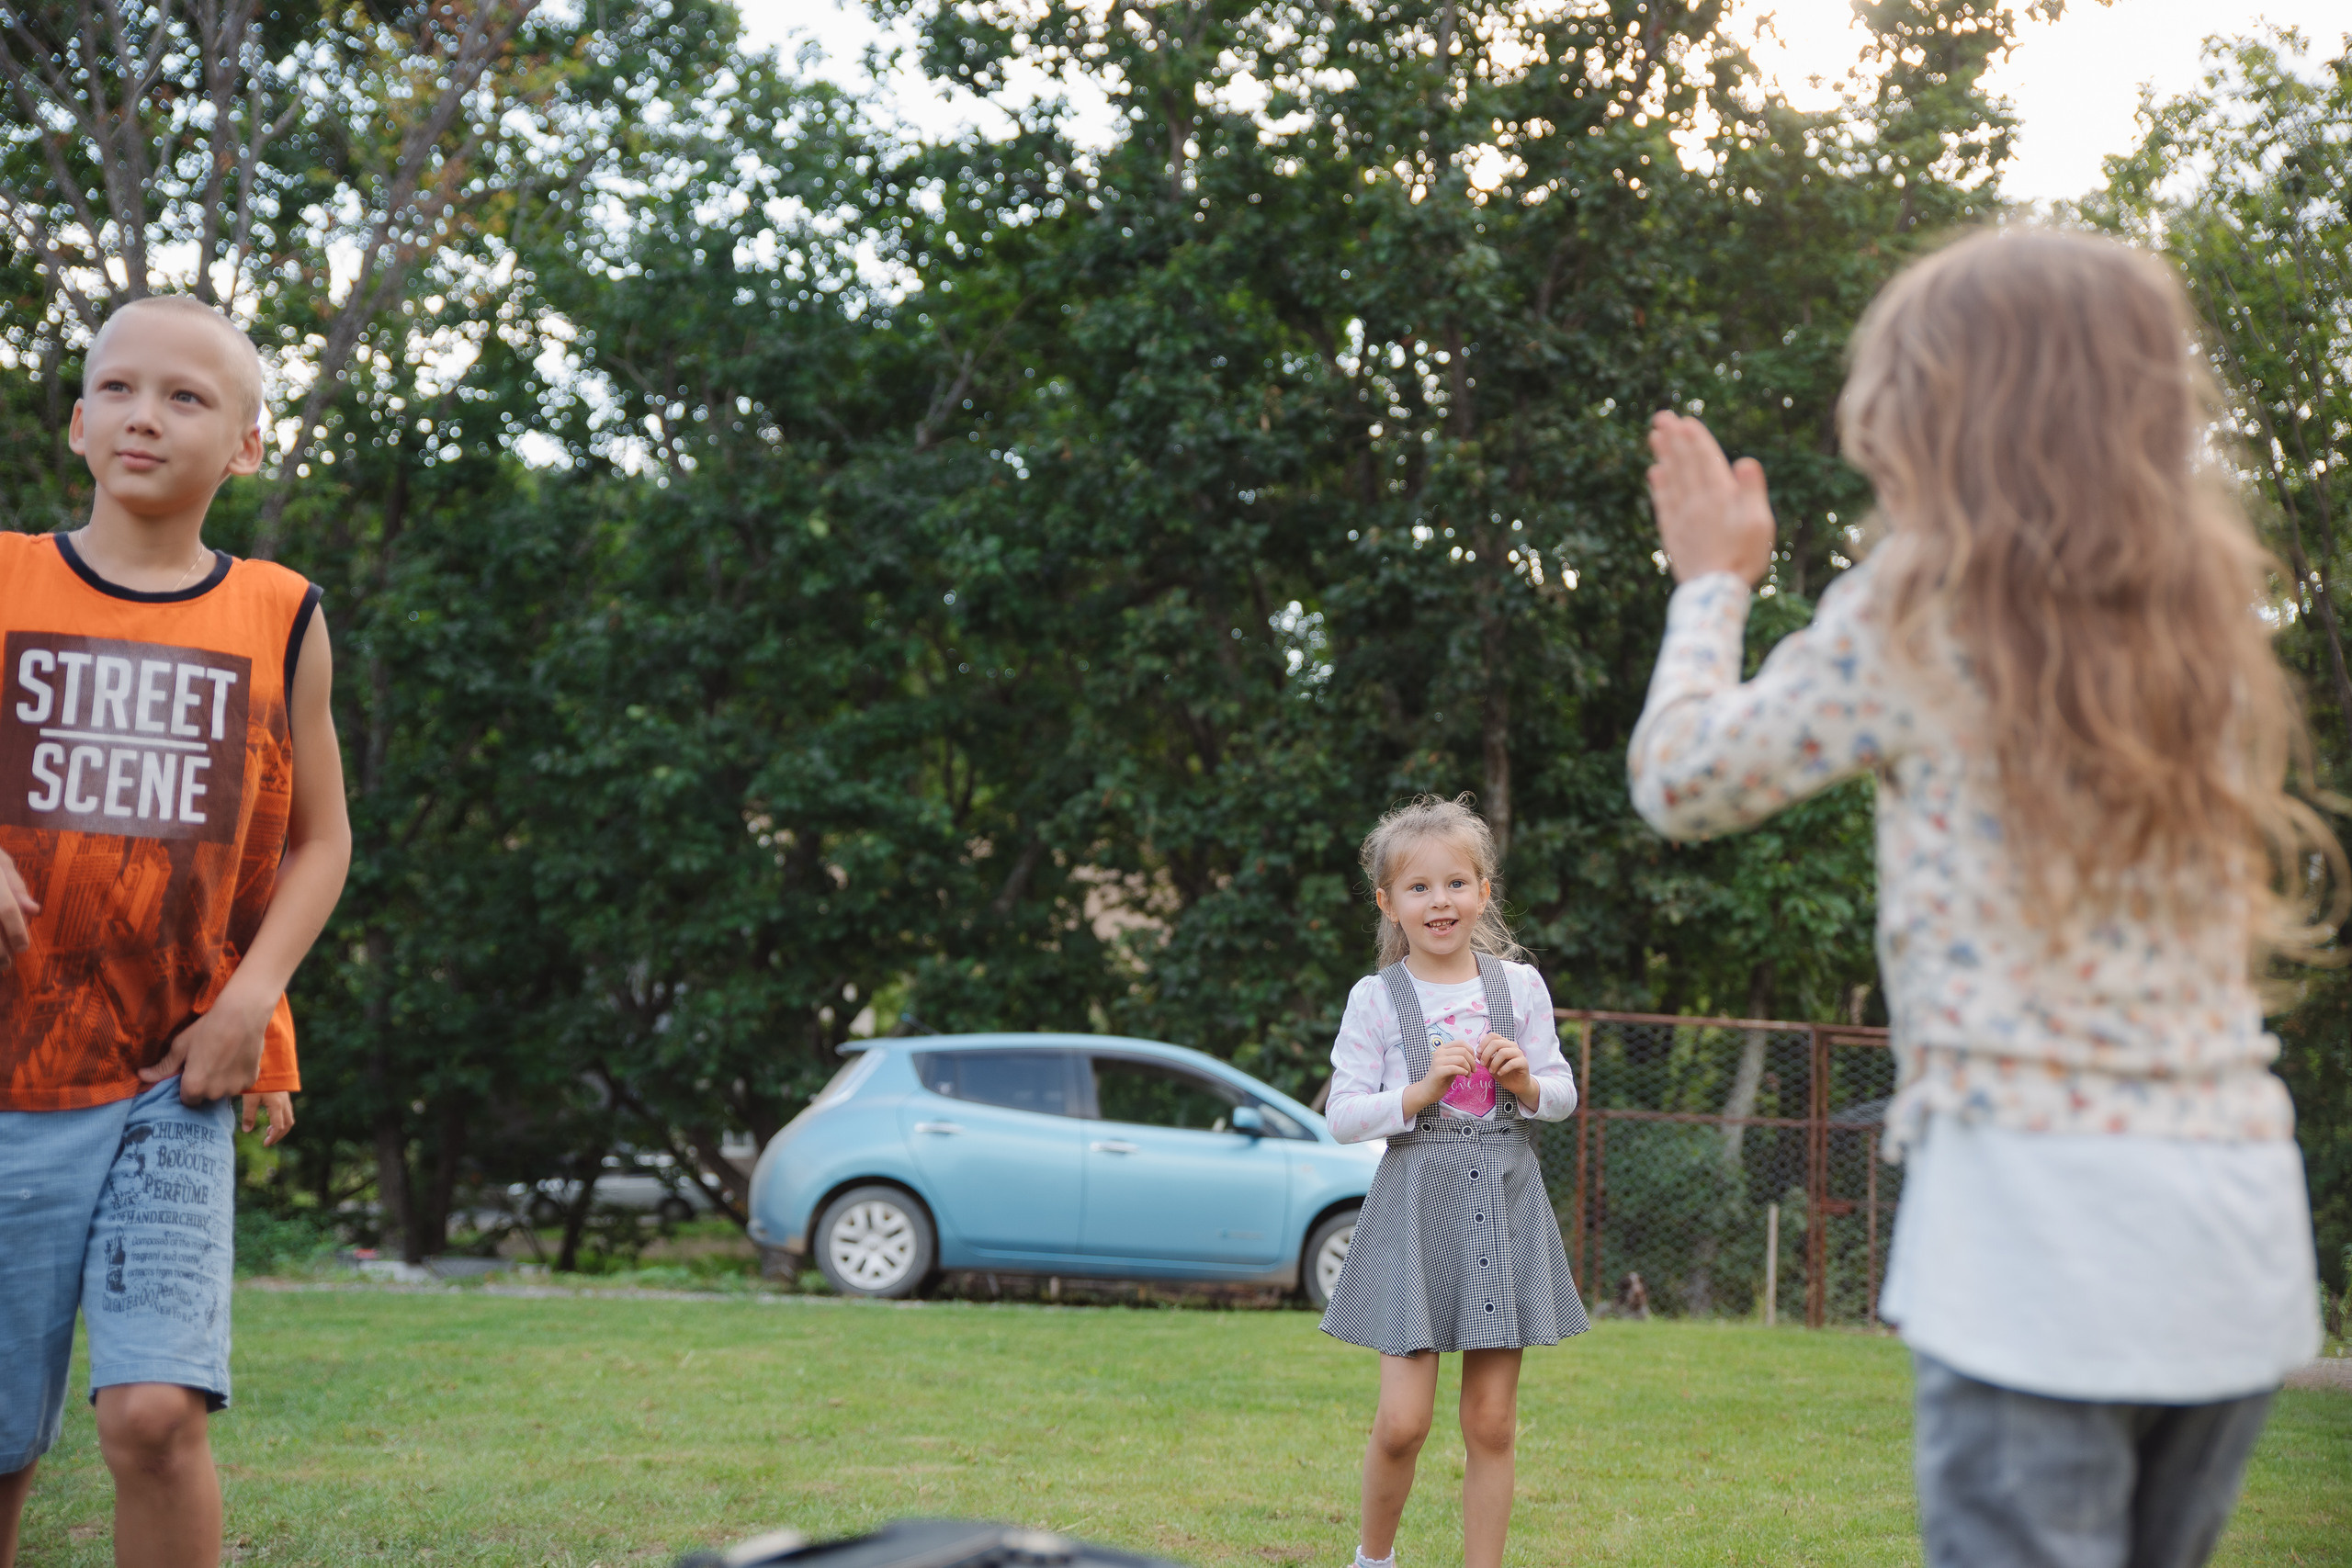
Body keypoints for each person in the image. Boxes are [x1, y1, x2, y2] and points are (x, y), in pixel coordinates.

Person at [1629, 229, 2335, 1568]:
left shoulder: (1923, 609)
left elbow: (1682, 779)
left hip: (2036, 1240)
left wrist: (1712, 588)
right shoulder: (2201, 621)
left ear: (1942, 415)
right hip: (2233, 1237)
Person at [0, 294, 351, 1568]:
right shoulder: (3, 577)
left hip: (172, 1074)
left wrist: (253, 1005)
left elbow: (320, 839)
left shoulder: (282, 612)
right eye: (119, 388)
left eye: (186, 396)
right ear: (78, 422)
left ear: (246, 445)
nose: (145, 415)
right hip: (10, 1079)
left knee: (155, 1416)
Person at [1319, 795, 1586, 1568]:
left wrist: (1526, 1083)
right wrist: (1417, 1092)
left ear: (1483, 891)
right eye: (1419, 887)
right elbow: (1342, 1115)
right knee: (1404, 1423)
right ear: (1388, 903)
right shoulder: (1376, 997)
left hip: (1503, 1206)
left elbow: (1562, 1094)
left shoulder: (1521, 988)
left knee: (1492, 1422)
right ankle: (1373, 1559)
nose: (1440, 901)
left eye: (1456, 883)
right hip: (1415, 1212)